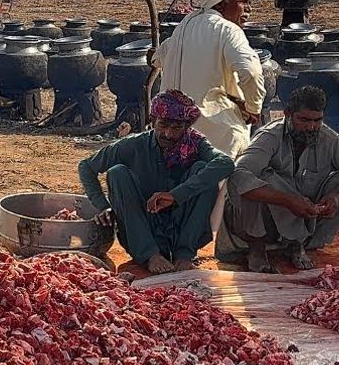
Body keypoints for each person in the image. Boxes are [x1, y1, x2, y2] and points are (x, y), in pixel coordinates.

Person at [218, 86, 339, 271]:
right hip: (259, 224)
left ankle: (295, 243)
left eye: (317, 120)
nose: (311, 127)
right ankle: (256, 249)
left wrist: (338, 196)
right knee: (257, 178)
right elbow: (238, 175)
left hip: (306, 219)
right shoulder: (269, 136)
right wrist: (288, 200)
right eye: (303, 120)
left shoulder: (328, 138)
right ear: (288, 114)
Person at [78, 90, 234, 274]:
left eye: (176, 128)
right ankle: (150, 255)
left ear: (186, 127)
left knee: (204, 170)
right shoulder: (133, 144)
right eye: (163, 125)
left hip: (182, 227)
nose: (168, 134)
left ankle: (184, 255)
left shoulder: (196, 144)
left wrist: (176, 195)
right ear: (153, 121)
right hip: (143, 228)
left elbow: (225, 163)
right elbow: (86, 167)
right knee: (117, 173)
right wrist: (103, 206)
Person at [152, 0, 265, 158]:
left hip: (173, 132)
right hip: (216, 133)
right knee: (219, 184)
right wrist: (253, 108)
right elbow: (250, 72)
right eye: (243, 2)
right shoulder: (227, 30)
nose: (249, 9)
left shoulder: (184, 26)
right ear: (222, 2)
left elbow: (156, 58)